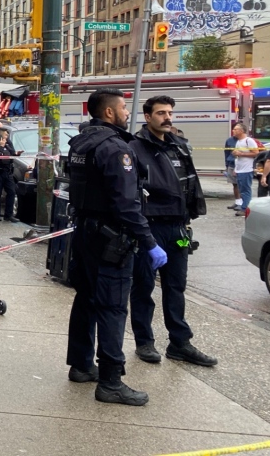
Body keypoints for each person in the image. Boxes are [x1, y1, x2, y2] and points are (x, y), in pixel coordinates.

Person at [65, 87, 165, 406]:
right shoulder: (114, 147)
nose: (126, 112)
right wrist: (149, 242)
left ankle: (81, 364)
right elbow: (125, 203)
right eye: (123, 107)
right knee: (111, 307)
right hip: (111, 239)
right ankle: (110, 381)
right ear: (109, 112)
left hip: (84, 233)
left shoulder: (81, 142)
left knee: (86, 299)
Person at [128, 96, 215, 368]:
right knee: (143, 287)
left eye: (169, 113)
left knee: (175, 287)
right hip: (149, 227)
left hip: (177, 226)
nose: (167, 117)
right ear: (147, 116)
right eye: (161, 113)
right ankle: (144, 341)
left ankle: (180, 343)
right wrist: (142, 233)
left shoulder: (179, 147)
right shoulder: (134, 148)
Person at [231, 123, 259, 217]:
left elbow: (256, 153)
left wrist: (241, 154)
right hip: (240, 170)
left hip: (247, 170)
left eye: (235, 129)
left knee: (245, 190)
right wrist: (236, 168)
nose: (233, 131)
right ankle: (244, 206)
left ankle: (245, 208)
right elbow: (238, 156)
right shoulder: (238, 141)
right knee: (241, 189)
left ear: (242, 131)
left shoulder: (249, 141)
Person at [225, 132, 242, 211]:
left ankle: (243, 204)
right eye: (234, 129)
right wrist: (227, 164)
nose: (234, 131)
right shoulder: (229, 140)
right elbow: (226, 153)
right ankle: (237, 202)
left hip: (242, 165)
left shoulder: (246, 141)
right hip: (231, 164)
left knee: (242, 185)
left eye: (236, 129)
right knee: (235, 184)